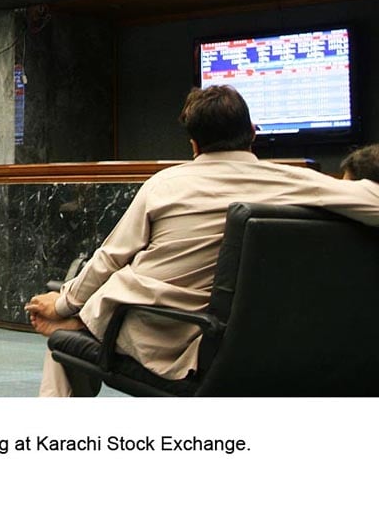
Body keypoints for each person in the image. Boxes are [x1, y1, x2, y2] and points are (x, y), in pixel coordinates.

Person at [25, 85, 379, 397]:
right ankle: (83, 319)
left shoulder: (164, 185)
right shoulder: (295, 182)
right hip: (261, 342)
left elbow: (109, 259)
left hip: (160, 330)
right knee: (73, 326)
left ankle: (80, 334)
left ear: (194, 144)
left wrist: (62, 305)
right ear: (252, 134)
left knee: (61, 347)